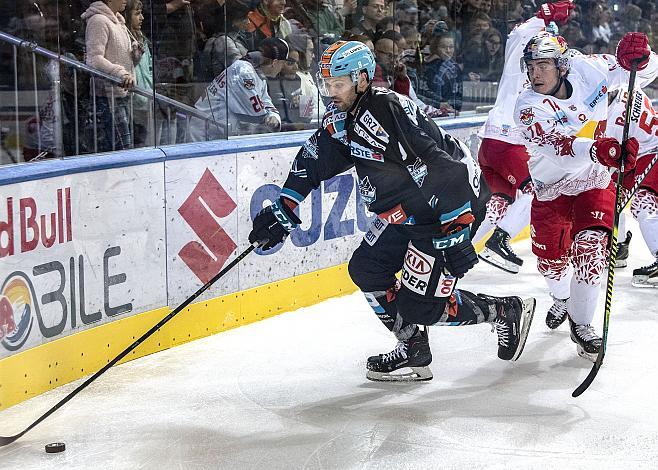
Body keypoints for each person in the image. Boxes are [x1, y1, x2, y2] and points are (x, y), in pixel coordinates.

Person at [248, 40, 536, 382]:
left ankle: (504, 311)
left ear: (362, 79)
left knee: (421, 307)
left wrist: (457, 226)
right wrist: (285, 206)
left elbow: (446, 169)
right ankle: (412, 346)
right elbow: (313, 160)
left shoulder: (386, 110)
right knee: (367, 269)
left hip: (446, 208)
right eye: (328, 84)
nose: (331, 92)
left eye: (338, 84)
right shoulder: (343, 116)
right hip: (405, 211)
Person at [513, 32, 657, 361]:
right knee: (551, 265)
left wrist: (641, 58)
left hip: (594, 180)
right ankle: (563, 298)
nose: (535, 74)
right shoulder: (527, 106)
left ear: (562, 66)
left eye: (544, 65)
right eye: (531, 66)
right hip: (551, 187)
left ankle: (582, 325)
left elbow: (640, 72)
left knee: (591, 251)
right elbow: (556, 146)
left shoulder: (588, 69)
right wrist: (597, 149)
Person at [474, 1, 575, 274]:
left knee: (499, 202)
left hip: (492, 144)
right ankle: (499, 240)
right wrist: (544, 15)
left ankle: (460, 252)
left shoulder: (536, 70)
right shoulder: (522, 51)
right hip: (507, 142)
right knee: (539, 190)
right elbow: (520, 34)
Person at [607, 85, 658, 287]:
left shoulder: (611, 121)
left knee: (642, 203)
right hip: (641, 153)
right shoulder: (630, 84)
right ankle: (618, 246)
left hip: (650, 152)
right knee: (610, 191)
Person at [188, 37, 288, 141]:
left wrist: (273, 116)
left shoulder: (257, 75)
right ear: (275, 62)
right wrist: (268, 118)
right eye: (283, 63)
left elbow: (266, 102)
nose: (282, 68)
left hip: (218, 131)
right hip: (204, 133)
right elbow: (256, 114)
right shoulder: (244, 72)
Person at [82, 0, 136, 151]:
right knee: (122, 148)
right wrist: (119, 73)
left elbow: (119, 56)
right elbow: (93, 59)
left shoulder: (119, 22)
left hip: (122, 94)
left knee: (125, 146)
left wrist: (135, 55)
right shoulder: (98, 20)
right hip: (107, 96)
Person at [123, 0, 154, 147]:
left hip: (146, 100)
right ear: (127, 16)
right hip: (132, 102)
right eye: (137, 14)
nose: (142, 18)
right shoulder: (124, 40)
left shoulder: (144, 41)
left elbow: (149, 70)